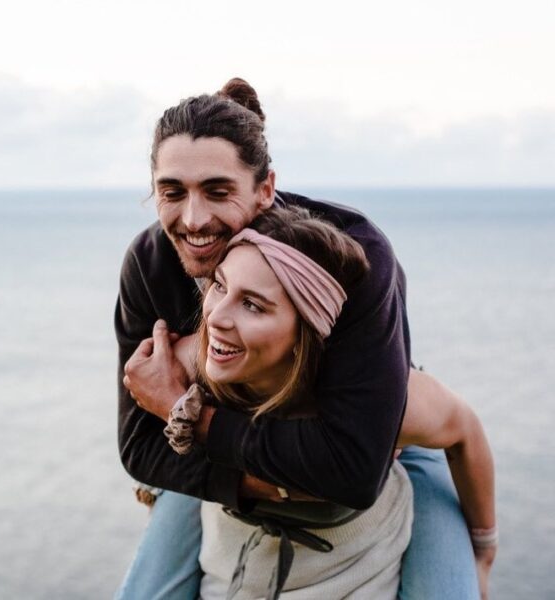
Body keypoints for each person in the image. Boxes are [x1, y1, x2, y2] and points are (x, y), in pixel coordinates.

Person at [115, 78, 492, 599]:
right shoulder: (153, 264)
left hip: (374, 419)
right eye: (171, 191)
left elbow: (356, 470)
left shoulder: (353, 258)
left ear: (265, 189)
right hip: (212, 437)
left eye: (219, 191)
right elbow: (140, 448)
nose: (194, 218)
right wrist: (273, 481)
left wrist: (188, 415)